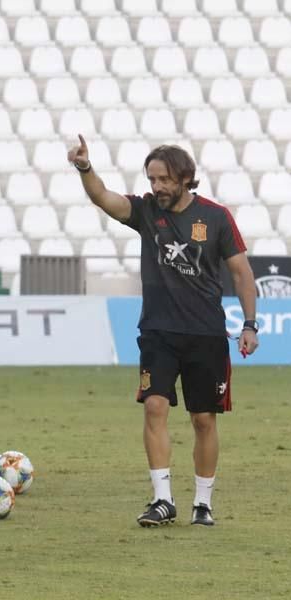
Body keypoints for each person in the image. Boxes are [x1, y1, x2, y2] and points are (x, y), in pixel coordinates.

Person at [68, 137, 259, 527]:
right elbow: (103, 197)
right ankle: (162, 499)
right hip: (158, 332)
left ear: (185, 179)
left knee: (203, 419)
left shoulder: (217, 218)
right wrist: (86, 169)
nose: (156, 186)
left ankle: (202, 504)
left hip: (205, 334)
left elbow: (241, 273)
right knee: (154, 406)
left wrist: (251, 324)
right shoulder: (145, 211)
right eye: (152, 178)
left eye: (164, 179)